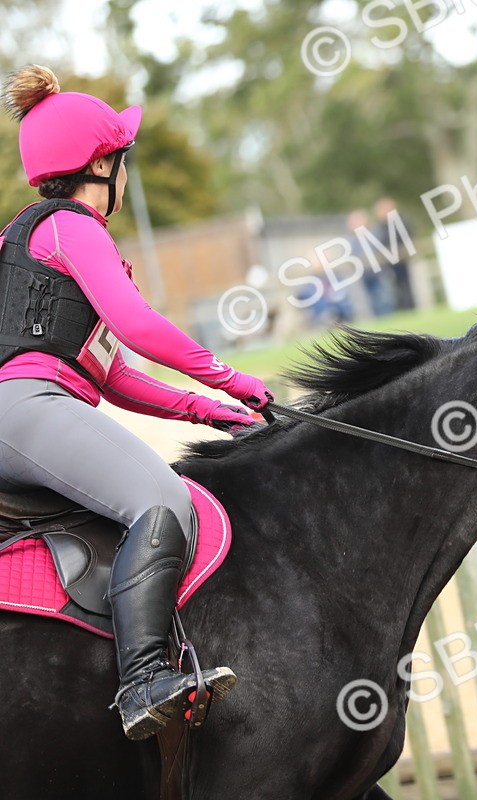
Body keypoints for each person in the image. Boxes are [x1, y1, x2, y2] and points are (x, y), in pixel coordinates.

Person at [0, 66, 274, 740]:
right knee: (162, 501)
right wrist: (228, 377)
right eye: (124, 159)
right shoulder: (71, 228)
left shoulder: (35, 238)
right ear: (102, 163)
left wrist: (207, 411)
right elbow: (137, 325)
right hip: (24, 408)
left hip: (30, 407)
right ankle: (145, 679)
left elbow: (114, 373)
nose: (127, 173)